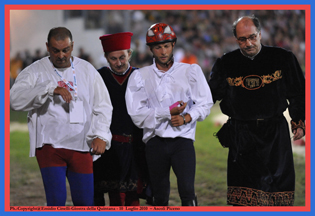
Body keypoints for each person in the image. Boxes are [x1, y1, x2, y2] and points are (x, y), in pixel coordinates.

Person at [208, 15, 305, 206]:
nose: (248, 43)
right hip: (242, 135)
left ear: (260, 34)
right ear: (236, 40)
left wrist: (298, 121)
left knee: (278, 193)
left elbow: (298, 92)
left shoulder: (283, 58)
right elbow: (209, 95)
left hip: (275, 133)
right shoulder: (226, 63)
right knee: (243, 196)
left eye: (252, 37)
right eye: (242, 39)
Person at [10, 27, 113, 206]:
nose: (61, 55)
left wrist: (101, 134)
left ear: (72, 46)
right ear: (47, 47)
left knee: (85, 203)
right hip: (49, 146)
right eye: (56, 50)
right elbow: (15, 99)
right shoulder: (35, 71)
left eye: (65, 50)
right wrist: (49, 89)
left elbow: (103, 105)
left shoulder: (87, 70)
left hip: (81, 145)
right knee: (56, 201)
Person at [125, 23, 213, 206]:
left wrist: (186, 117)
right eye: (158, 47)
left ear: (173, 45)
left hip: (183, 140)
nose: (163, 51)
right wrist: (167, 112)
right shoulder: (140, 76)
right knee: (159, 195)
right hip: (155, 142)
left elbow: (205, 103)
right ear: (151, 49)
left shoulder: (190, 71)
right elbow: (136, 114)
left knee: (188, 192)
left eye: (166, 46)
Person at [93, 32, 151, 206]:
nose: (118, 63)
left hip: (136, 147)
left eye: (122, 57)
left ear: (130, 54)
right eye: (113, 58)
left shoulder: (141, 76)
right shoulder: (99, 77)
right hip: (108, 147)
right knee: (113, 196)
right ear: (106, 57)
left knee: (134, 196)